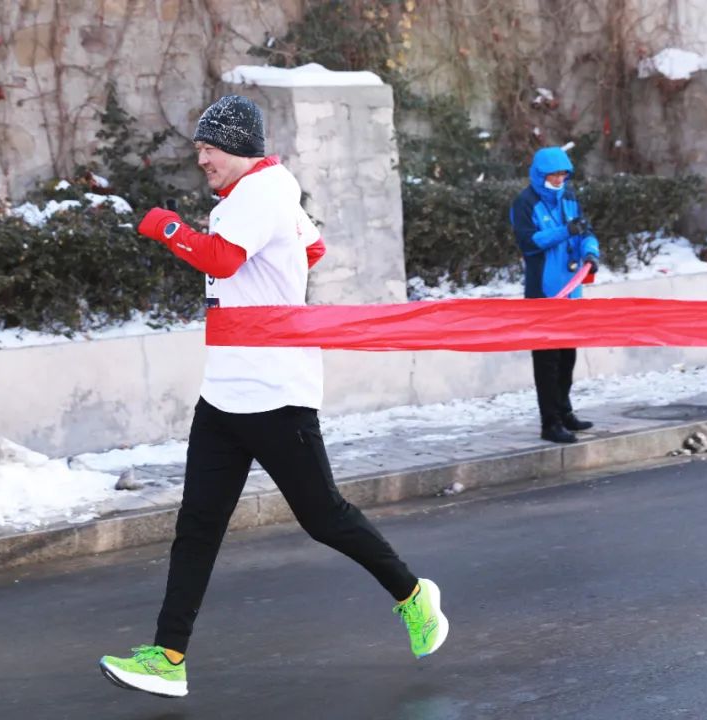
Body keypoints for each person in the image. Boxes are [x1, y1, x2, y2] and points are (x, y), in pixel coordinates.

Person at [99, 95, 448, 698]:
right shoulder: (257, 197)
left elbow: (221, 259)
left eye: (208, 147)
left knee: (324, 518)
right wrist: (280, 277)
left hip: (277, 394)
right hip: (225, 393)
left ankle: (415, 596)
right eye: (200, 148)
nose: (200, 157)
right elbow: (311, 249)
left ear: (236, 146)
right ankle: (168, 655)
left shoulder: (262, 193)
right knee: (198, 526)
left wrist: (165, 225)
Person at [509, 146, 601, 444]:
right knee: (546, 361)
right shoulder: (525, 203)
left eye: (563, 174)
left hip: (572, 291)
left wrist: (591, 251)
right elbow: (530, 242)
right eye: (554, 174)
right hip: (544, 293)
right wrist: (565, 231)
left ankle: (565, 412)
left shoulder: (570, 197)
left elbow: (586, 231)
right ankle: (550, 423)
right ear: (539, 174)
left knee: (567, 357)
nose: (560, 179)